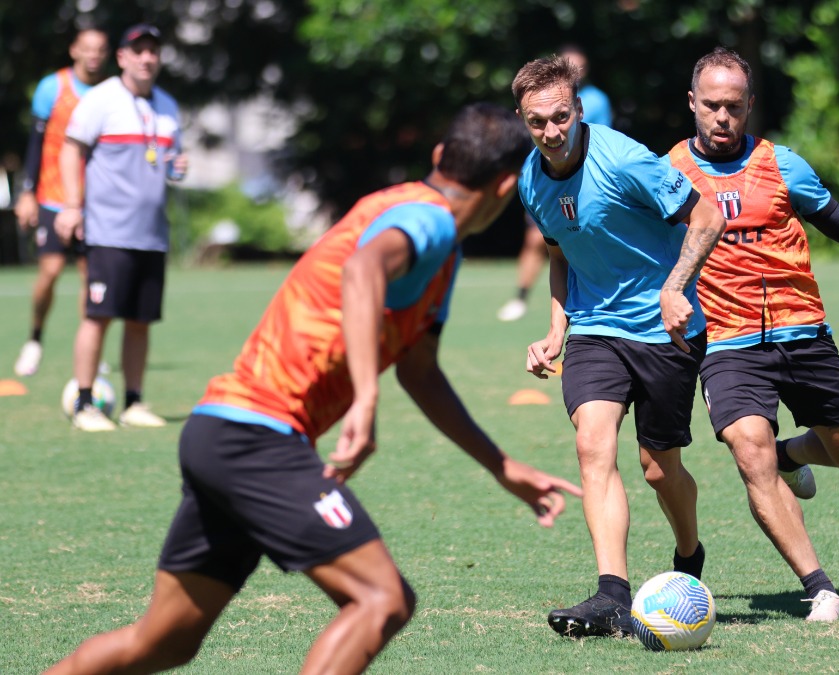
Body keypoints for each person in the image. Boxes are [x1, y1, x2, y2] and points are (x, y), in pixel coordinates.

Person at [45, 102, 584, 675]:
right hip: (255, 439)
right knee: (382, 599)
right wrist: (365, 400)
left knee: (164, 643)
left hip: (221, 433)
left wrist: (501, 465)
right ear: (506, 185)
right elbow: (362, 270)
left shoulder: (432, 240)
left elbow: (419, 370)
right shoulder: (429, 220)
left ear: (438, 156)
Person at [666, 47, 839, 622]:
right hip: (727, 343)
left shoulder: (781, 164)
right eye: (712, 105)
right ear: (692, 103)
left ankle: (791, 452)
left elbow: (837, 220)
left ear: (750, 105)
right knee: (750, 452)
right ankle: (820, 587)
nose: (722, 117)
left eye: (733, 106)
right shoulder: (668, 172)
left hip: (802, 330)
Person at [514, 55, 726, 638]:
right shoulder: (530, 179)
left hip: (665, 330)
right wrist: (555, 330)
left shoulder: (626, 160)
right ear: (523, 120)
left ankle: (689, 555)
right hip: (594, 330)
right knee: (592, 445)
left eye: (561, 117)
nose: (551, 132)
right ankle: (612, 596)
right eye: (537, 122)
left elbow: (708, 217)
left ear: (580, 110)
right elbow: (560, 253)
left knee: (659, 469)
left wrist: (674, 288)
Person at [55, 24, 188, 431]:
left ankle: (133, 402)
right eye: (138, 50)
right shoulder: (102, 99)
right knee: (98, 315)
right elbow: (70, 149)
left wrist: (177, 168)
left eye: (153, 51)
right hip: (108, 230)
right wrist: (72, 206)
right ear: (122, 57)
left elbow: (167, 163)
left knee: (140, 320)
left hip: (151, 233)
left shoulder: (168, 106)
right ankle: (85, 404)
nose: (147, 58)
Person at [11, 28, 110, 377]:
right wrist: (27, 192)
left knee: (90, 278)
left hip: (92, 202)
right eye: (87, 49)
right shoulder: (51, 88)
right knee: (50, 271)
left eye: (99, 49)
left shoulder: (110, 93)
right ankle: (35, 339)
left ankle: (90, 352)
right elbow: (35, 144)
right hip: (53, 198)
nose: (93, 55)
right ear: (74, 51)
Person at [497, 45, 611, 322]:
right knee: (537, 240)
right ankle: (521, 297)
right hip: (550, 181)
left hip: (586, 181)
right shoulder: (540, 99)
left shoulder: (597, 100)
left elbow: (602, 136)